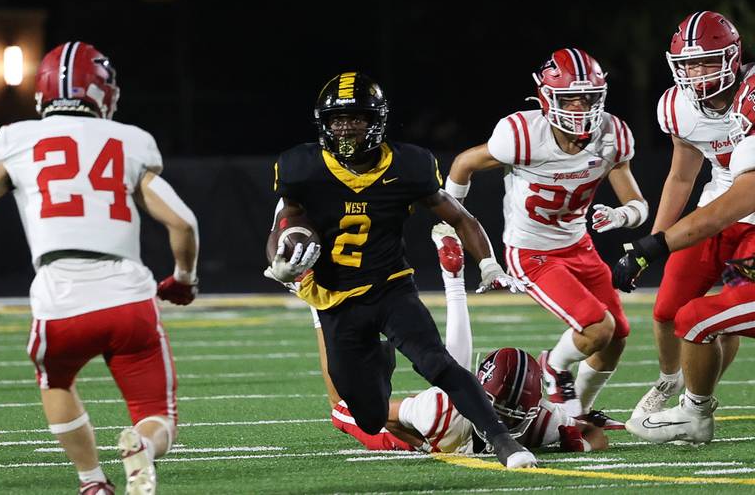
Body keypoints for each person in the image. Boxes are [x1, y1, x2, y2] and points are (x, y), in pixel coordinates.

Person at [0, 42, 199, 494]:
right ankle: (142, 447)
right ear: (104, 94)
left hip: (57, 298)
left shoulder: (17, 138)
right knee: (157, 415)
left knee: (56, 381)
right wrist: (183, 279)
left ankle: (91, 482)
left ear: (42, 93)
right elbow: (183, 222)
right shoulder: (131, 141)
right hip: (128, 296)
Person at [267, 71, 536, 468]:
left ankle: (501, 441)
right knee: (370, 417)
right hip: (336, 298)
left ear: (375, 121)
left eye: (356, 118)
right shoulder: (301, 166)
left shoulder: (409, 164)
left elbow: (461, 218)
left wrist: (489, 266)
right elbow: (282, 224)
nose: (346, 127)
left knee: (437, 362)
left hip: (391, 287)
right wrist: (280, 260)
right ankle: (382, 359)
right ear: (323, 124)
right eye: (337, 120)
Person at [445, 49, 646, 427]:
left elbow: (637, 204)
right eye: (570, 97)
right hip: (533, 252)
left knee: (617, 335)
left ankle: (577, 413)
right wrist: (450, 216)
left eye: (588, 97)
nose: (580, 107)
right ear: (546, 98)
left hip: (578, 245)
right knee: (596, 329)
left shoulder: (613, 134)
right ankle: (552, 367)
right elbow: (463, 163)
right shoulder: (521, 135)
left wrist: (623, 215)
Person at [322, 223, 608, 454]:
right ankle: (317, 303)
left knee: (450, 376)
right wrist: (422, 444)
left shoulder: (544, 421)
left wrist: (581, 444)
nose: (507, 423)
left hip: (450, 417)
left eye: (512, 416)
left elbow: (592, 433)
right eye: (502, 413)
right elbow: (388, 418)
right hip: (415, 427)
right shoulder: (435, 411)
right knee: (342, 407)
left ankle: (454, 278)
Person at [615, 72, 755, 444]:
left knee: (707, 317)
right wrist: (654, 243)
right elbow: (682, 177)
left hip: (739, 217)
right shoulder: (681, 108)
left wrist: (656, 245)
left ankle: (695, 408)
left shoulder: (749, 99)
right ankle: (676, 387)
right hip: (715, 212)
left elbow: (742, 199)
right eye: (690, 65)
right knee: (669, 310)